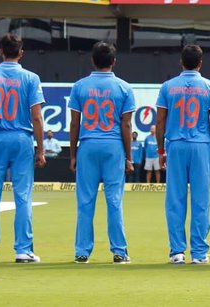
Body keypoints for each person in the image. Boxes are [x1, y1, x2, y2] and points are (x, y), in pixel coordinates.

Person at [0, 33, 47, 263]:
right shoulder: (31, 78)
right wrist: (41, 149)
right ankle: (23, 249)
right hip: (22, 138)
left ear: (0, 51)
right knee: (23, 195)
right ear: (21, 53)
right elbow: (37, 118)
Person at [66, 42, 134, 265]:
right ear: (113, 61)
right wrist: (129, 157)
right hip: (113, 146)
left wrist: (73, 154)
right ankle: (119, 251)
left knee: (85, 201)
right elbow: (126, 125)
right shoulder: (124, 87)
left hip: (87, 145)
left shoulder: (80, 86)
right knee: (114, 200)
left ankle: (82, 252)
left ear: (93, 61)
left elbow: (75, 123)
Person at [157, 45, 210, 265]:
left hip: (176, 144)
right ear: (200, 63)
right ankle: (199, 253)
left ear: (181, 62)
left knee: (175, 200)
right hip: (201, 145)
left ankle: (177, 252)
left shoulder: (167, 87)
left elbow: (160, 122)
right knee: (200, 200)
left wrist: (160, 150)